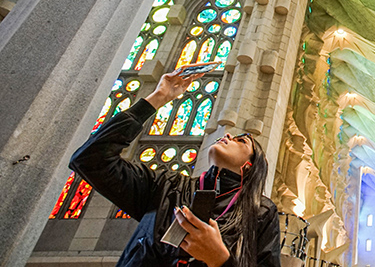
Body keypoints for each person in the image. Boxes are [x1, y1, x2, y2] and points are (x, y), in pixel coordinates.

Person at [70, 70, 282, 267]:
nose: (227, 135)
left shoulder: (260, 212)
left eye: (241, 141)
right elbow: (89, 160)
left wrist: (221, 260)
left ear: (249, 166)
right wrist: (157, 98)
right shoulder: (166, 187)